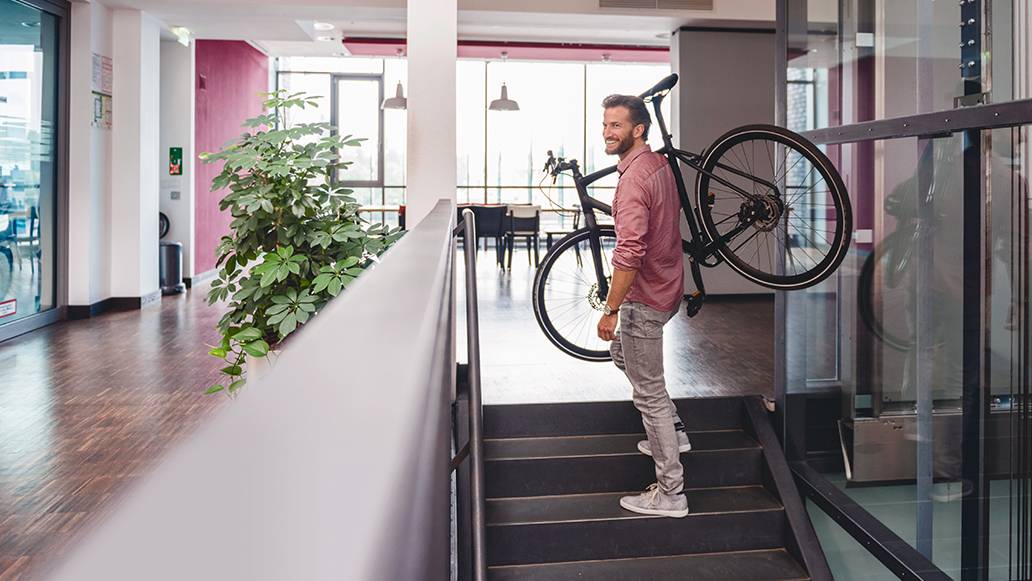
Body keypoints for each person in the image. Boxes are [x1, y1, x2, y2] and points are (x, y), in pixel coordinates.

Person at [595, 94, 689, 518]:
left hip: (643, 300)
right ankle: (674, 429)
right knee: (623, 356)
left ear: (639, 130)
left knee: (648, 393)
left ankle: (671, 494)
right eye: (605, 124)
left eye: (616, 125)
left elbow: (629, 250)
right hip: (667, 287)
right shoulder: (657, 166)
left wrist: (611, 308)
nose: (607, 133)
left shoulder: (634, 180)